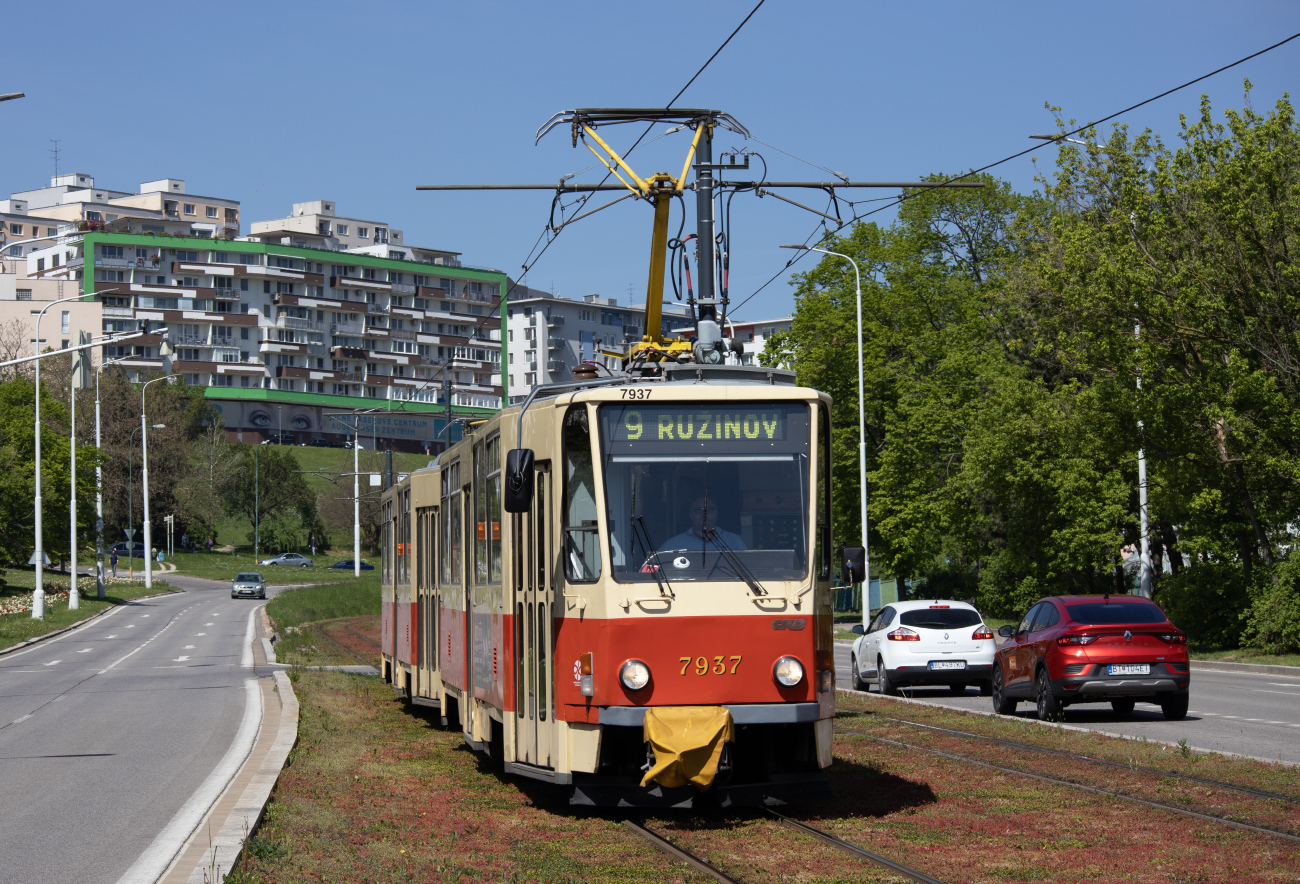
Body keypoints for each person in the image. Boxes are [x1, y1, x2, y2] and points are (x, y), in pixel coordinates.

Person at [659, 495, 747, 553]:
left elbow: (748, 569)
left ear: (716, 513)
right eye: (698, 510)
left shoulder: (733, 542)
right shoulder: (672, 545)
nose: (704, 514)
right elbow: (654, 573)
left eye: (709, 509)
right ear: (691, 515)